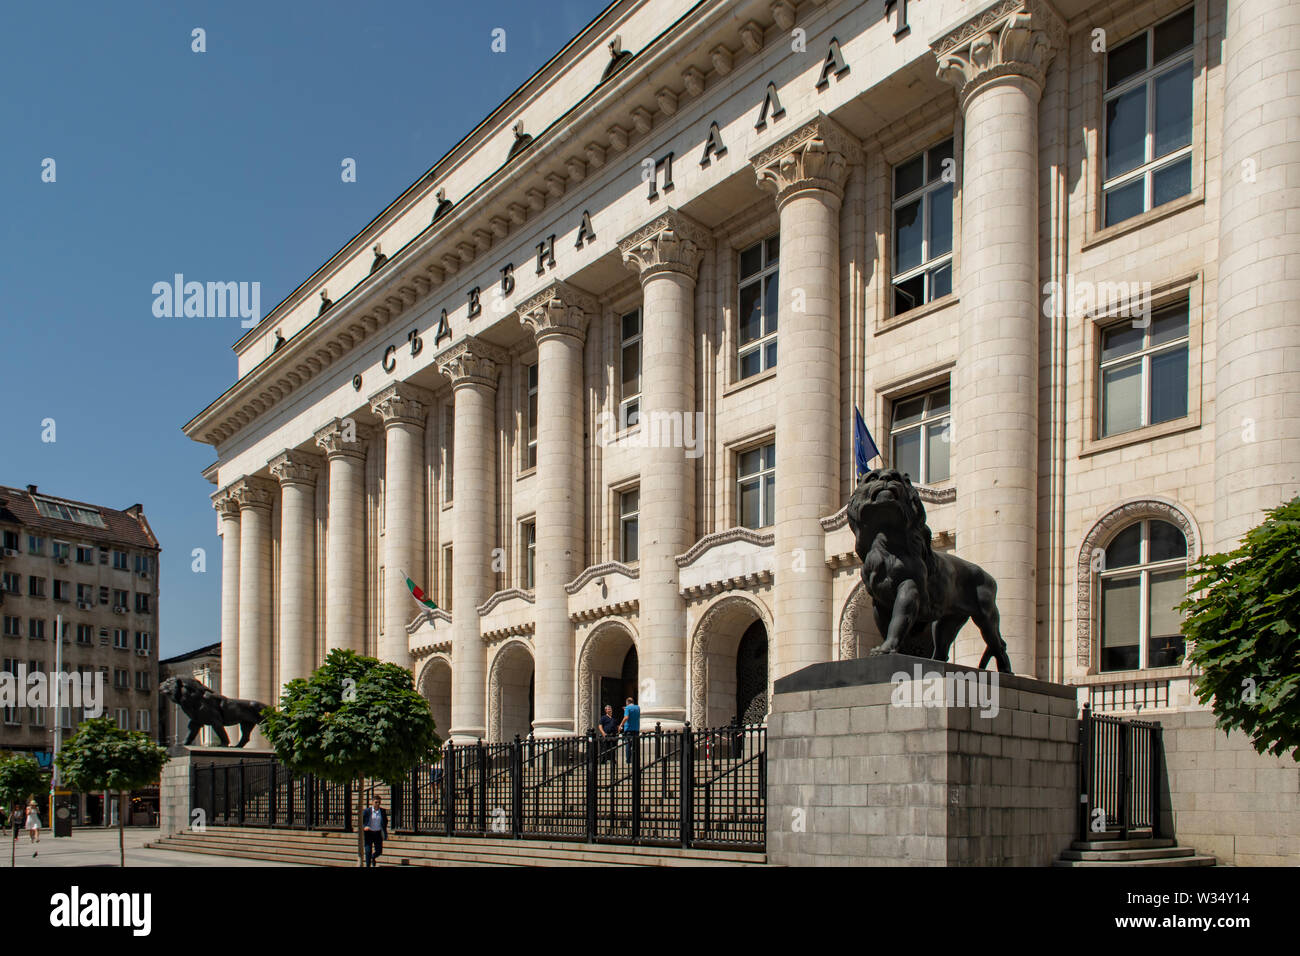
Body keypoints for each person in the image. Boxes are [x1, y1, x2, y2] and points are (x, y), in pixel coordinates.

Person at [361, 796, 387, 867]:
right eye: (376, 802)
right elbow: (361, 821)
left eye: (379, 802)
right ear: (372, 802)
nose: (377, 804)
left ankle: (373, 857)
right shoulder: (367, 811)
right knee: (368, 851)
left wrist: (383, 830)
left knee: (379, 851)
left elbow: (385, 821)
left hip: (377, 833)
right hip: (369, 833)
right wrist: (365, 826)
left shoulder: (382, 811)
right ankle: (368, 865)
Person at [618, 696, 640, 764]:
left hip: (629, 729)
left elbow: (626, 717)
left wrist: (621, 725)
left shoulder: (627, 708)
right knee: (635, 745)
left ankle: (628, 760)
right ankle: (636, 759)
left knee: (628, 745)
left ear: (627, 702)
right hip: (636, 728)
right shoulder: (638, 707)